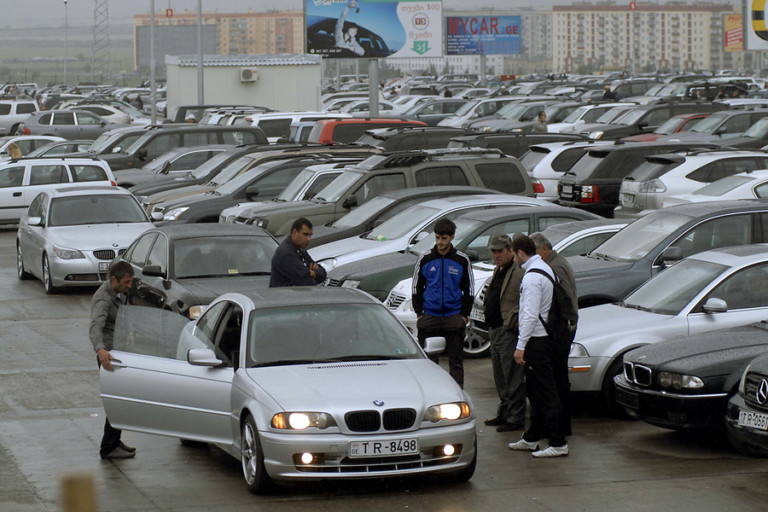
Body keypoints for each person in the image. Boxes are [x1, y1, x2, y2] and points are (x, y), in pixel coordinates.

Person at [507, 234, 569, 458]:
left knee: (545, 391)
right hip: (546, 339)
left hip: (537, 341)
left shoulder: (532, 278)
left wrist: (521, 346)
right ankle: (533, 437)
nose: (513, 258)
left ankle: (558, 442)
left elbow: (530, 315)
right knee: (534, 390)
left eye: (513, 254)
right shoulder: (545, 268)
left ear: (520, 253)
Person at [412, 218, 474, 388]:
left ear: (452, 237)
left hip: (454, 317)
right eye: (437, 237)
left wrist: (464, 316)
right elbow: (416, 287)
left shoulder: (462, 260)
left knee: (456, 362)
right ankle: (432, 393)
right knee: (429, 363)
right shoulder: (424, 258)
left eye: (444, 238)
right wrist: (419, 314)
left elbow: (469, 289)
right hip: (429, 316)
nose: (440, 242)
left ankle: (456, 395)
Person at [530, 232, 576, 437]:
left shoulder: (554, 266)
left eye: (535, 252)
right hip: (564, 326)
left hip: (561, 330)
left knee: (557, 378)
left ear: (544, 250)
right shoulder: (557, 262)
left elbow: (564, 298)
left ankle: (561, 426)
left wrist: (558, 325)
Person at [89, 261, 136, 460]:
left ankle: (115, 441)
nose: (130, 286)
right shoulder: (102, 299)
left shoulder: (119, 292)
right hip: (108, 356)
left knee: (121, 399)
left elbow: (125, 313)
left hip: (119, 351)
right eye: (126, 282)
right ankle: (108, 447)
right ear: (113, 279)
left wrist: (131, 330)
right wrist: (100, 350)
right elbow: (95, 327)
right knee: (116, 402)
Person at [482, 234, 526, 432]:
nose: (496, 255)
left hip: (507, 331)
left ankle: (516, 418)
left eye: (500, 251)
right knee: (500, 376)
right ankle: (505, 413)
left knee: (513, 377)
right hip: (494, 330)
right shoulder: (498, 270)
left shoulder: (519, 272)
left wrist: (516, 317)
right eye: (493, 251)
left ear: (510, 250)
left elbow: (526, 299)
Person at [270, 217, 327, 287]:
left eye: (310, 235)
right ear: (295, 232)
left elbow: (322, 273)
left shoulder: (299, 248)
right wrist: (311, 273)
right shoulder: (287, 253)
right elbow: (308, 282)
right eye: (305, 234)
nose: (308, 239)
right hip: (285, 296)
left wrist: (313, 273)